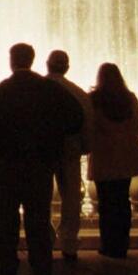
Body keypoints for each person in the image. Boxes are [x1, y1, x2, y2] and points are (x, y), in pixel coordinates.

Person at [0, 44, 84, 275]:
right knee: (39, 216)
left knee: (7, 217)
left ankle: (8, 266)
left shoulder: (1, 91)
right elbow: (76, 117)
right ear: (32, 60)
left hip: (9, 163)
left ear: (12, 60)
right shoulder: (49, 89)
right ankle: (42, 266)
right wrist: (54, 137)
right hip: (41, 162)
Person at [86, 63, 138, 259]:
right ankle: (122, 244)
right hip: (125, 154)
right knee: (123, 200)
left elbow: (88, 124)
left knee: (106, 202)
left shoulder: (94, 100)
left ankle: (108, 244)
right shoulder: (128, 98)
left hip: (104, 155)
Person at [44, 50, 93, 262]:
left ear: (47, 65)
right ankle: (69, 243)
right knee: (71, 197)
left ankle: (44, 240)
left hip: (42, 150)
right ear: (67, 67)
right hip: (70, 149)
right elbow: (88, 121)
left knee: (40, 196)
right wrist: (84, 147)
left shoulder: (38, 88)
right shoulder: (77, 92)